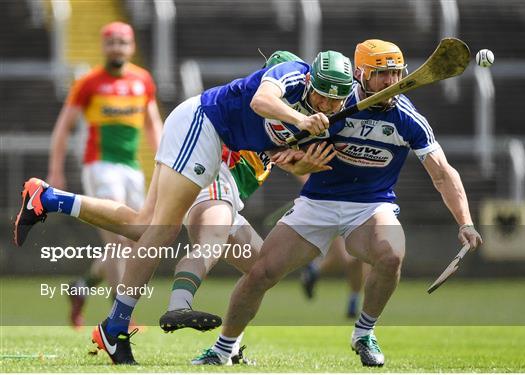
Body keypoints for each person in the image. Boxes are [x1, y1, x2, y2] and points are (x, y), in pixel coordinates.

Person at [13, 50, 354, 365]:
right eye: (322, 93)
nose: (326, 103)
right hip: (202, 124)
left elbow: (285, 156)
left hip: (199, 133)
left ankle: (49, 199)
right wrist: (301, 120)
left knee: (256, 264)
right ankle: (118, 326)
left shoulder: (295, 122)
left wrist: (300, 164)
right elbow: (263, 101)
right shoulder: (286, 81)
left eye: (334, 98)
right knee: (163, 230)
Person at [194, 39, 483, 368]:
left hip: (370, 207)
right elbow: (278, 149)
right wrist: (300, 163)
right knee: (261, 272)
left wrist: (465, 221)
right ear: (360, 74)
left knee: (391, 254)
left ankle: (364, 333)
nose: (392, 82)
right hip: (317, 203)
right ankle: (223, 349)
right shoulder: (330, 101)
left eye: (396, 74)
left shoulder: (408, 119)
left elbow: (443, 174)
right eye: (381, 75)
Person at [40, 21, 163, 329]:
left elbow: (153, 125)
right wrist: (55, 170)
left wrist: (165, 166)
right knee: (119, 238)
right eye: (111, 42)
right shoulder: (89, 82)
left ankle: (82, 286)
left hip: (132, 169)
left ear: (131, 46)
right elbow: (62, 127)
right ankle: (121, 318)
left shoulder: (142, 80)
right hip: (100, 166)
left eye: (123, 42)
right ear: (103, 46)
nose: (117, 48)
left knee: (133, 241)